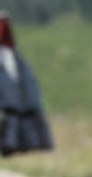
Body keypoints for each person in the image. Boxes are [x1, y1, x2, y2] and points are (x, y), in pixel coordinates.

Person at [0, 11, 55, 157]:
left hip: (17, 100)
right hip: (11, 100)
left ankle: (17, 146)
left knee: (20, 116)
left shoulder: (12, 56)